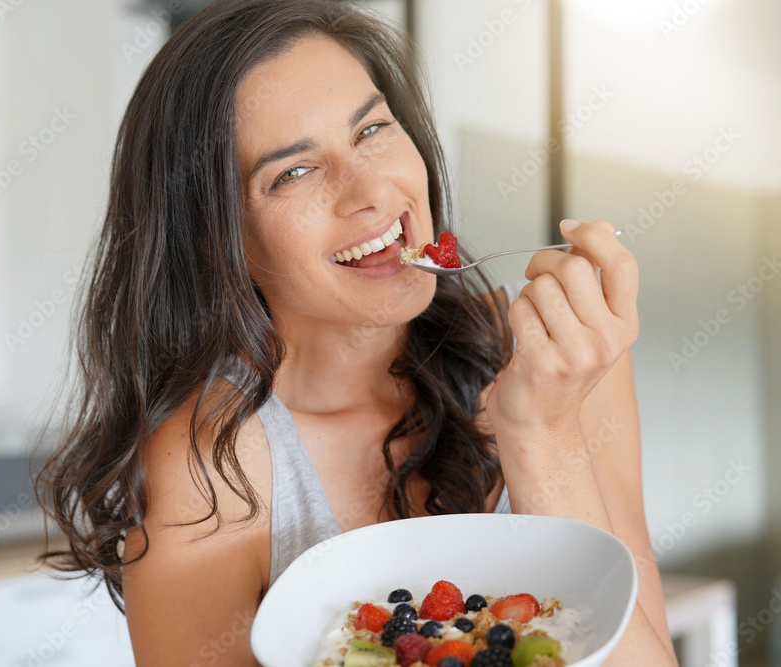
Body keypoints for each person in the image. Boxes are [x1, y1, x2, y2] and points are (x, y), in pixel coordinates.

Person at [33, 0, 676, 664]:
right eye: (293, 172)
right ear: (219, 241)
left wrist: (541, 435)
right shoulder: (211, 465)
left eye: (371, 130)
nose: (370, 190)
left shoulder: (558, 357)